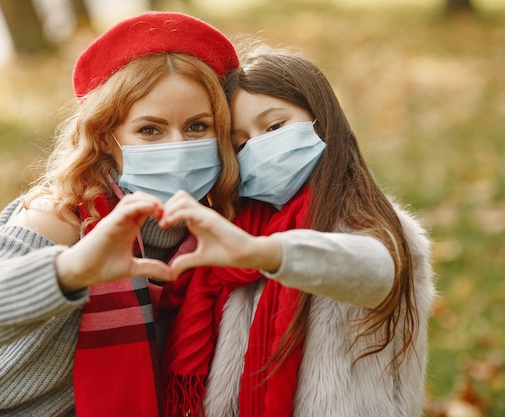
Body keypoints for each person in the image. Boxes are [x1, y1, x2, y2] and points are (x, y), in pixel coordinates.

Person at [0, 11, 242, 417]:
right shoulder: (64, 214)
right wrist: (69, 271)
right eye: (150, 130)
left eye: (196, 127)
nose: (176, 146)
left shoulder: (210, 234)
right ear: (106, 138)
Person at [158, 42, 435, 417]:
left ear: (321, 118)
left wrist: (268, 254)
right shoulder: (240, 232)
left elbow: (375, 270)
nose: (259, 147)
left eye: (274, 126)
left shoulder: (384, 232)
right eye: (241, 143)